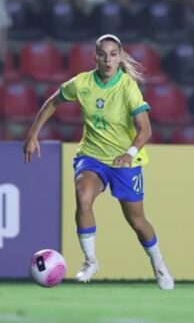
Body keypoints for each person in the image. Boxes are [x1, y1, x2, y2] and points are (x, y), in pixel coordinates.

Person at [23, 34, 174, 290]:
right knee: (83, 196)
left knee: (137, 221)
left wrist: (129, 152)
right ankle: (90, 260)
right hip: (91, 157)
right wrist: (33, 134)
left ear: (120, 57)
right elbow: (52, 102)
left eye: (113, 54)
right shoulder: (81, 83)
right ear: (95, 57)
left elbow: (145, 129)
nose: (108, 59)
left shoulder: (127, 87)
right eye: (103, 54)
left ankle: (159, 264)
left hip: (124, 161)